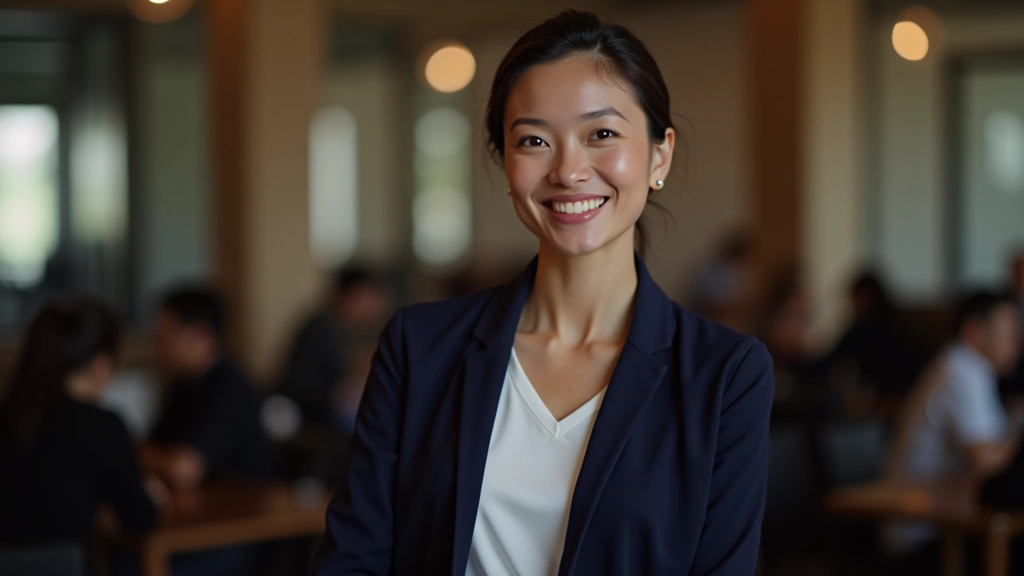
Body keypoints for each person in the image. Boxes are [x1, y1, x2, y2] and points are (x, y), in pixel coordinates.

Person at [315, 10, 774, 575]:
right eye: (533, 140)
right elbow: (351, 560)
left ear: (660, 154)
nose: (568, 170)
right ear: (505, 165)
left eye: (601, 134)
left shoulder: (723, 374)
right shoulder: (419, 348)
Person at [0, 298, 160, 557]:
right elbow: (141, 518)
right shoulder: (101, 426)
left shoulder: (9, 416)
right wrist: (152, 494)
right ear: (100, 365)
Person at [885, 291, 1022, 561]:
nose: (1016, 345)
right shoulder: (961, 371)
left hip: (949, 519)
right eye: (1008, 334)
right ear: (973, 331)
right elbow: (986, 461)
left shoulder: (972, 369)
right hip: (922, 535)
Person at [140, 286, 270, 492]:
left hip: (241, 509)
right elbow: (154, 442)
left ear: (200, 336)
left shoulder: (229, 386)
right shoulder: (185, 382)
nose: (158, 341)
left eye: (166, 331)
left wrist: (142, 455)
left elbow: (184, 469)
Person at [279, 266, 391, 431]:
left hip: (324, 409)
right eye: (371, 298)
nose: (376, 307)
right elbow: (353, 367)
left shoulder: (338, 326)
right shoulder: (322, 327)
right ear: (351, 295)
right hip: (311, 415)